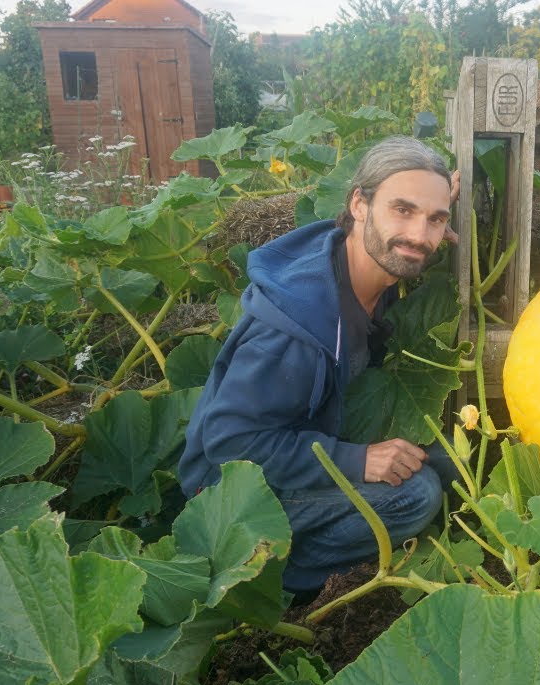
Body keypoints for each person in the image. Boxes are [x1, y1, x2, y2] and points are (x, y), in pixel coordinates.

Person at [178, 136, 460, 600]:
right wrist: (358, 460)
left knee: (452, 456)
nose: (419, 235)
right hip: (227, 498)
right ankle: (270, 582)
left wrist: (432, 210)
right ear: (359, 205)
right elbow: (230, 445)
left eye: (436, 219)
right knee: (418, 494)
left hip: (304, 435)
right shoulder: (294, 330)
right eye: (402, 210)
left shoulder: (363, 260)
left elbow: (412, 238)